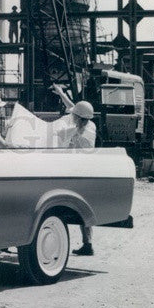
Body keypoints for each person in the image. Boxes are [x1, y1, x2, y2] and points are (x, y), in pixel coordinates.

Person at [51, 83, 97, 255]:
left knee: (80, 208)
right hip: (86, 171)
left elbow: (64, 132)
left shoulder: (80, 132)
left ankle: (87, 244)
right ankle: (88, 244)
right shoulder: (90, 124)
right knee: (84, 208)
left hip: (80, 172)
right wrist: (62, 93)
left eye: (75, 117)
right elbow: (73, 107)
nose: (73, 117)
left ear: (79, 119)